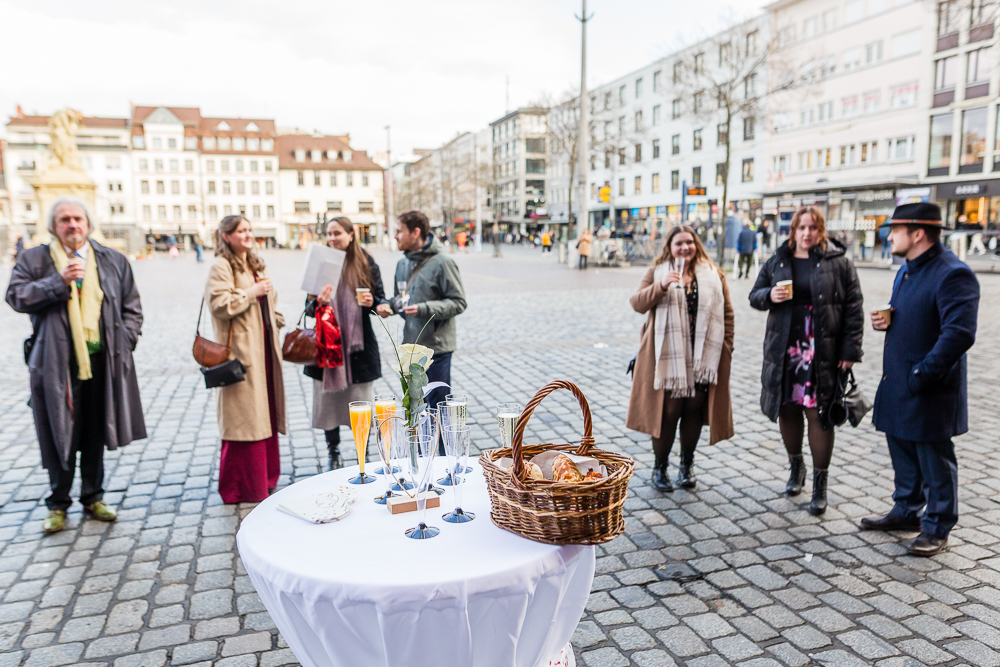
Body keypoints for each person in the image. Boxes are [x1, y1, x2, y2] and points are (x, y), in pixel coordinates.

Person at [6, 197, 145, 533]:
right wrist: (58, 282)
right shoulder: (35, 259)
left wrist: (124, 341)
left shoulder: (112, 259)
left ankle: (93, 497)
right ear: (54, 226)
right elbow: (16, 296)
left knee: (95, 429)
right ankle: (58, 503)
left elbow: (132, 307)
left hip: (102, 361)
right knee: (59, 430)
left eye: (78, 218)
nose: (72, 225)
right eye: (65, 219)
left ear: (88, 223)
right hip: (56, 363)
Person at [864, 203, 979, 556]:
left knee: (934, 456)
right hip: (899, 377)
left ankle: (937, 526)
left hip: (928, 384)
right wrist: (890, 320)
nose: (889, 235)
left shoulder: (953, 273)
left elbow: (959, 334)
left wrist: (922, 373)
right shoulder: (907, 270)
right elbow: (918, 312)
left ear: (917, 234)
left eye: (895, 229)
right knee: (901, 444)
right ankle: (906, 510)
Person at [749, 206, 864, 515]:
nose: (807, 233)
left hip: (821, 347)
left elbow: (854, 307)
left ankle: (820, 485)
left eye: (813, 227)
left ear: (820, 230)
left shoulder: (838, 263)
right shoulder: (779, 260)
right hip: (785, 345)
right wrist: (768, 296)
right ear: (793, 230)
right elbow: (754, 294)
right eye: (802, 227)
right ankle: (795, 467)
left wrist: (850, 351)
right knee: (787, 408)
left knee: (819, 412)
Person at [627, 225, 734, 492]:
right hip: (668, 359)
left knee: (694, 410)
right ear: (670, 247)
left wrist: (727, 347)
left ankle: (686, 466)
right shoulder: (657, 271)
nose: (685, 247)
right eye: (679, 243)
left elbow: (728, 314)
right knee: (669, 412)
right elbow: (637, 303)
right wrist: (660, 286)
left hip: (702, 358)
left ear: (696, 244)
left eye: (689, 242)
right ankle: (660, 468)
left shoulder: (712, 274)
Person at [206, 215, 287, 504]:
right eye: (241, 231)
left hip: (263, 349)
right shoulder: (221, 266)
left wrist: (275, 316)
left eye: (249, 229)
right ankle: (242, 487)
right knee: (245, 420)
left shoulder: (254, 263)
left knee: (263, 415)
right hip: (241, 354)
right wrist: (251, 293)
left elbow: (268, 299)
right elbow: (218, 304)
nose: (248, 234)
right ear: (226, 236)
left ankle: (266, 479)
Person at [304, 217, 386, 470]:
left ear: (351, 235)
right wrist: (319, 301)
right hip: (328, 346)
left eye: (337, 233)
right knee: (328, 404)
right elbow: (307, 309)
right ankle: (334, 451)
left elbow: (380, 299)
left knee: (361, 402)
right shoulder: (320, 262)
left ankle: (363, 450)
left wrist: (373, 302)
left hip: (358, 349)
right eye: (328, 233)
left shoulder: (366, 262)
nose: (331, 238)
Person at [379, 210, 466, 418]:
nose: (395, 236)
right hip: (410, 350)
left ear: (415, 232)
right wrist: (389, 306)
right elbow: (400, 298)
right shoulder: (402, 263)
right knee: (416, 412)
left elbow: (459, 302)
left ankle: (443, 451)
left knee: (438, 411)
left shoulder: (443, 262)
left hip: (436, 350)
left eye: (399, 231)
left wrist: (423, 309)